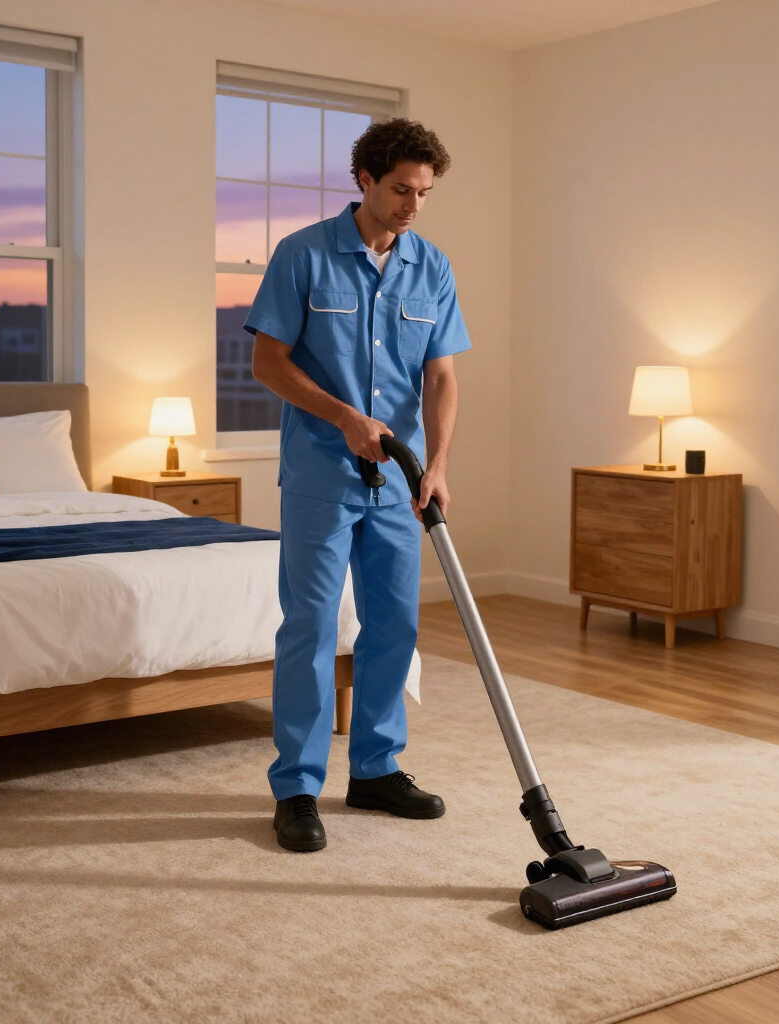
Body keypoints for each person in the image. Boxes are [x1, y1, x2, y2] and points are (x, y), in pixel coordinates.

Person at [245, 119, 472, 852]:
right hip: (321, 476)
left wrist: (437, 466)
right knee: (311, 628)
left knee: (395, 627)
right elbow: (268, 363)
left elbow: (441, 377)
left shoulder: (431, 266)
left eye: (424, 193)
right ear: (365, 180)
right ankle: (297, 787)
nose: (413, 205)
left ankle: (375, 770)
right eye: (401, 189)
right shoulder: (303, 254)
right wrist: (344, 416)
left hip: (400, 483)